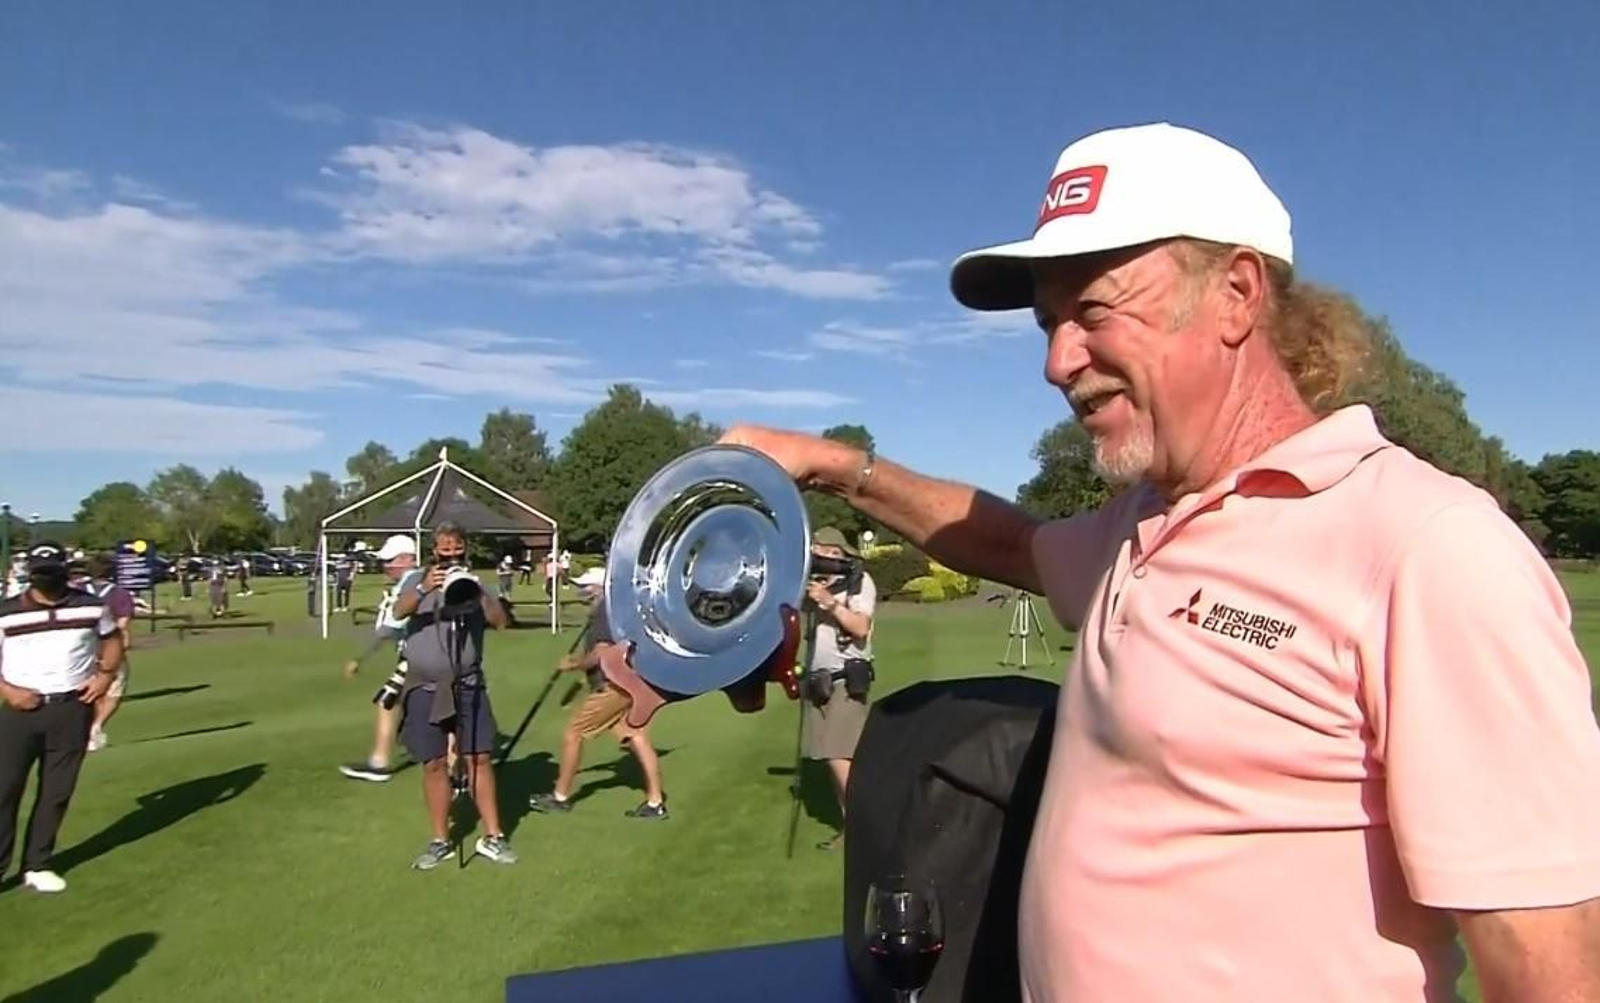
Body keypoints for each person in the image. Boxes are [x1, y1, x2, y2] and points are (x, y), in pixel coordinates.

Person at [719, 122, 1600, 1002]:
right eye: (1049, 323)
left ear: (1236, 294)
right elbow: (1008, 542)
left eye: (1093, 311)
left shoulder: (1429, 546)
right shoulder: (1144, 519)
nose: (1058, 361)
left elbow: (1550, 966)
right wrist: (831, 464)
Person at [386, 522, 517, 869]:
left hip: (468, 683)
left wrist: (479, 594)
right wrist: (425, 588)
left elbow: (501, 622)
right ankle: (440, 839)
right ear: (434, 551)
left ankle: (493, 836)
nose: (451, 554)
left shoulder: (475, 583)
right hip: (425, 686)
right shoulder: (417, 579)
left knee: (479, 759)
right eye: (445, 549)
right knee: (433, 763)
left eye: (457, 548)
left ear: (465, 549)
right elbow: (398, 613)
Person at [0, 543, 124, 893]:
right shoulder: (7, 613)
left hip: (71, 707)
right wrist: (8, 691)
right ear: (30, 575)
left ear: (64, 572)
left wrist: (104, 675)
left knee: (56, 792)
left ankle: (37, 864)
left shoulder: (90, 606)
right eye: (40, 575)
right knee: (5, 789)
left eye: (52, 573)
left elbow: (112, 639)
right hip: (19, 710)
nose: (46, 581)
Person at [528, 576, 668, 820]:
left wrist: (575, 665)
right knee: (635, 735)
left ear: (601, 587)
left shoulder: (605, 611)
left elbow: (602, 653)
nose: (582, 592)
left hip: (612, 686)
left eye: (586, 587)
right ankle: (656, 802)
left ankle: (560, 797)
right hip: (629, 684)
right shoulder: (618, 608)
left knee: (573, 734)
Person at [798, 527, 876, 850]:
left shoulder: (860, 581)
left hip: (846, 679)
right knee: (829, 758)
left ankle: (866, 828)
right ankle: (851, 829)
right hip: (818, 682)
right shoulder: (812, 585)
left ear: (839, 554)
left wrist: (829, 603)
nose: (819, 554)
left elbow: (860, 627)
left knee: (839, 756)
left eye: (825, 550)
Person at [338, 534, 423, 783]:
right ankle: (455, 766)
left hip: (417, 655)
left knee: (387, 701)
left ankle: (380, 762)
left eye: (390, 561)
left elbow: (389, 628)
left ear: (408, 559)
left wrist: (360, 658)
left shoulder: (412, 582)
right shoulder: (417, 580)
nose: (385, 566)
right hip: (423, 654)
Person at [80, 554, 135, 752]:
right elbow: (123, 622)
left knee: (91, 691)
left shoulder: (77, 591)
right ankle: (96, 725)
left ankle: (89, 728)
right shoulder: (120, 594)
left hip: (83, 648)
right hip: (109, 646)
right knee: (114, 690)